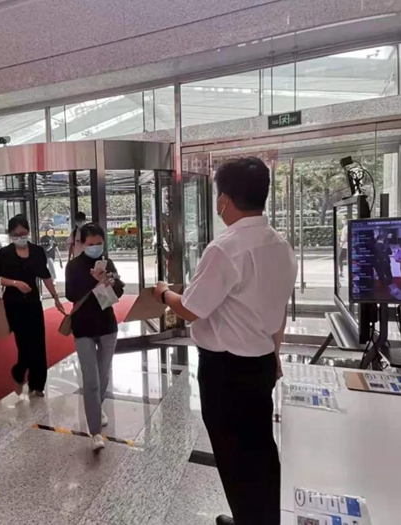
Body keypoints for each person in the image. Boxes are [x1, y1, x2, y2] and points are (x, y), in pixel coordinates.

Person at [152, 157, 297, 525]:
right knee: (260, 447)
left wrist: (163, 292)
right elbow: (277, 308)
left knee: (234, 454)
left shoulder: (225, 248)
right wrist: (275, 354)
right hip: (261, 362)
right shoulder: (280, 245)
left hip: (227, 371)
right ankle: (263, 518)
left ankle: (250, 520)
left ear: (224, 200)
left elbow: (190, 309)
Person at [65, 223, 124, 451]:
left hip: (107, 325)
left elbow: (116, 294)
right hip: (83, 327)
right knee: (91, 380)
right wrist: (95, 281)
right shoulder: (74, 266)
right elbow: (71, 294)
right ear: (82, 243)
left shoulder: (107, 263)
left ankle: (96, 407)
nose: (95, 247)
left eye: (99, 243)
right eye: (91, 244)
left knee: (104, 375)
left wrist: (109, 282)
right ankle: (95, 432)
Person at [0, 215, 65, 397]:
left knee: (38, 343)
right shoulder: (4, 254)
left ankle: (37, 384)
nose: (21, 237)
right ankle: (19, 372)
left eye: (24, 233)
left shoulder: (37, 251)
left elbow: (45, 275)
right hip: (14, 304)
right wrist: (16, 283)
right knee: (25, 344)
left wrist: (56, 298)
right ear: (11, 234)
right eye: (17, 234)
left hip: (33, 302)